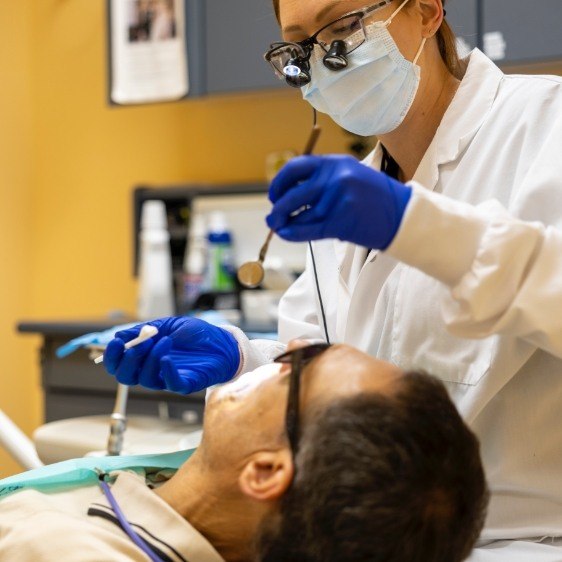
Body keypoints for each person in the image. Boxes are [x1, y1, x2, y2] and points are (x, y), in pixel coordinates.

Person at [103, 0, 562, 559]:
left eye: (344, 25)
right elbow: (344, 371)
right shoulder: (345, 199)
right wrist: (245, 362)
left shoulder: (546, 128)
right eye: (299, 48)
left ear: (426, 10)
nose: (327, 57)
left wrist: (412, 224)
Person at [0, 344, 487, 562]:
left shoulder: (53, 548)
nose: (284, 348)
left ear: (265, 472)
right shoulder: (155, 497)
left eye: (302, 363)